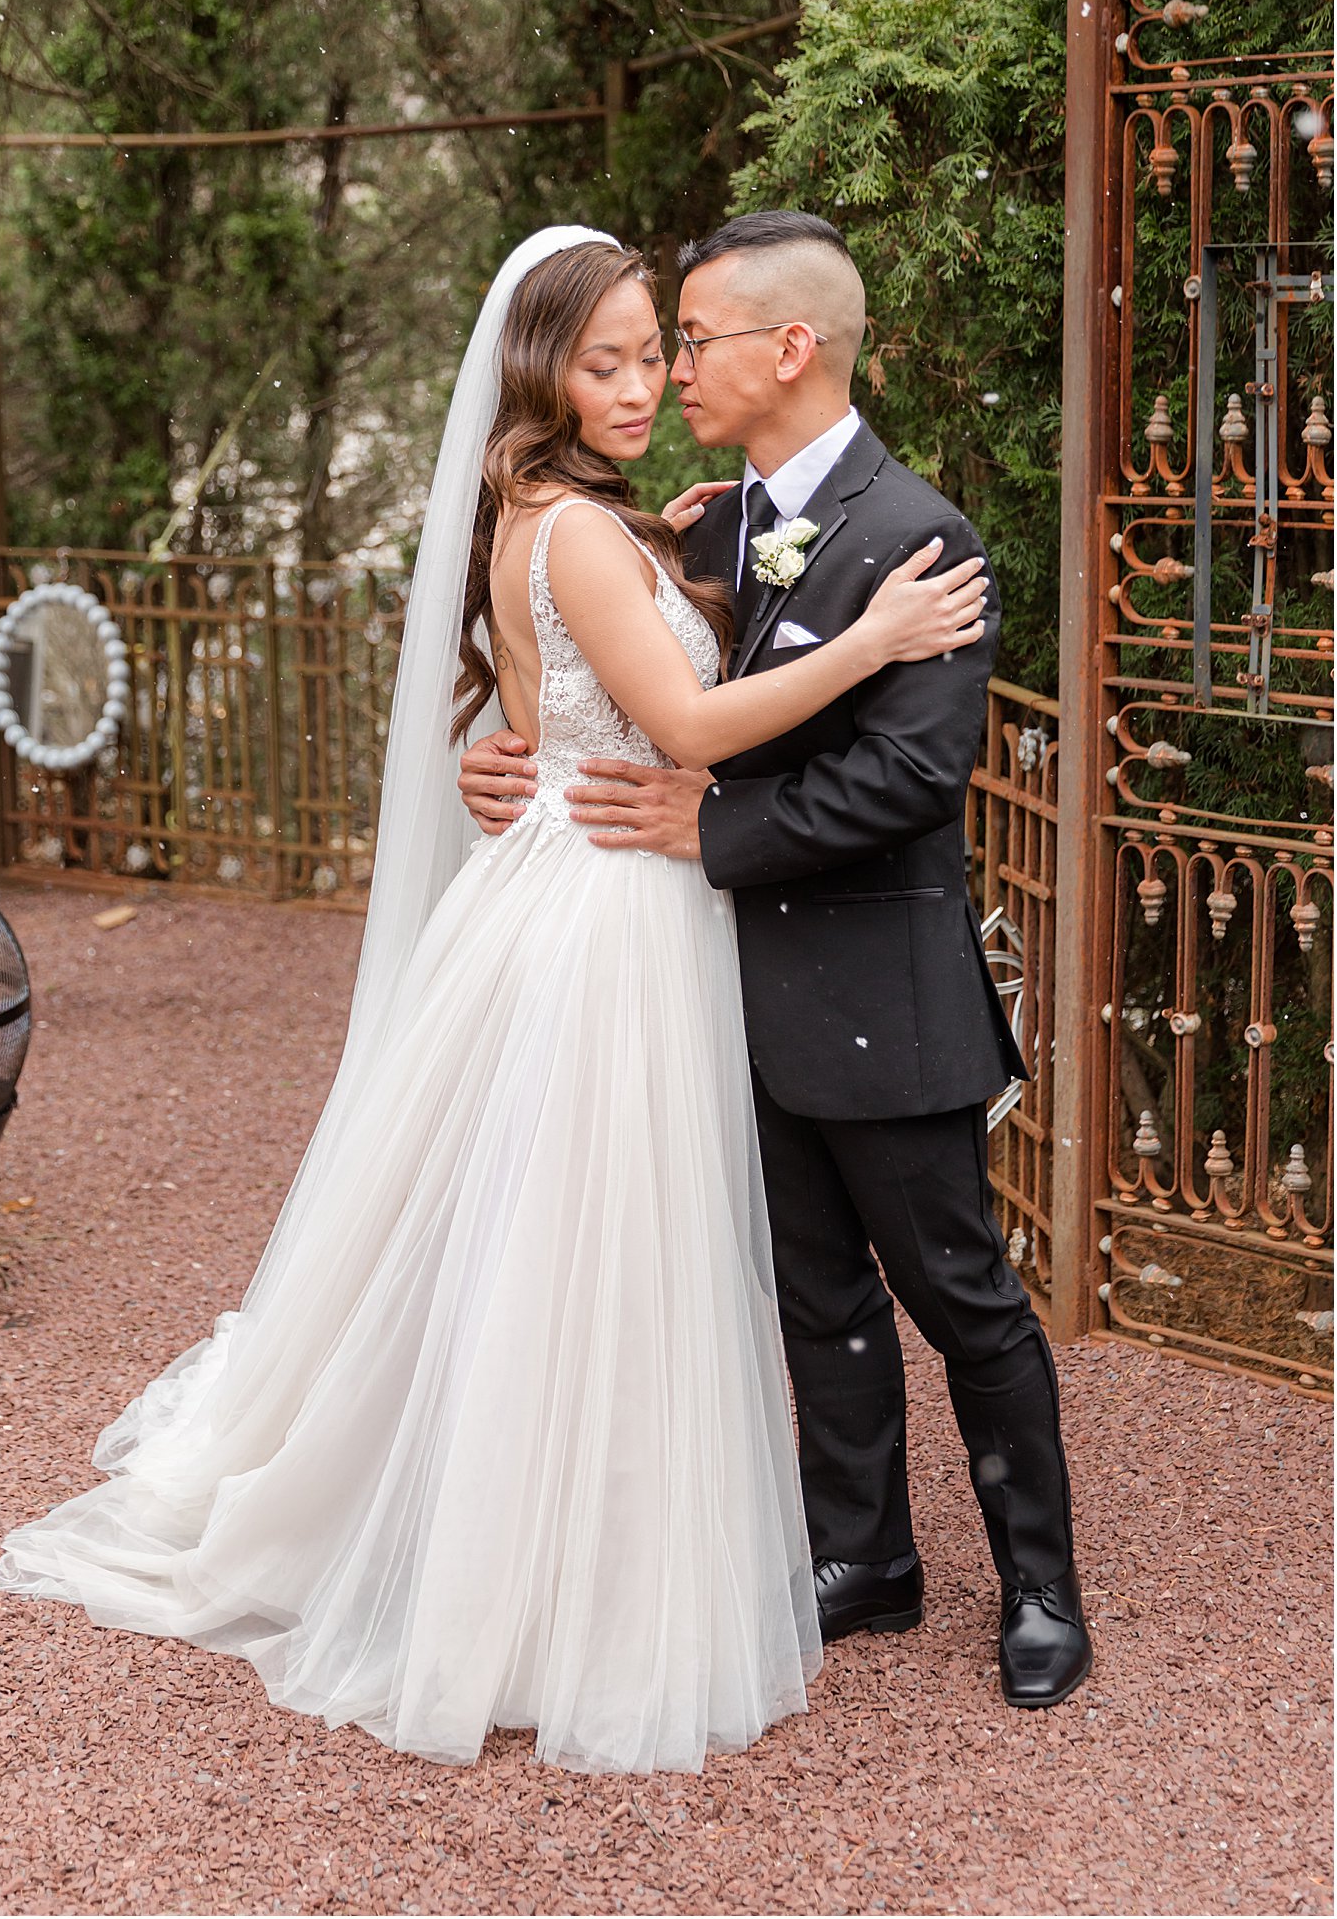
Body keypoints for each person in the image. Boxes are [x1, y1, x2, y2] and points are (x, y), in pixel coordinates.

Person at [0, 227, 987, 1774]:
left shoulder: (581, 519)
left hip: (595, 883)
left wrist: (682, 561)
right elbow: (685, 719)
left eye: (655, 351)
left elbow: (555, 708)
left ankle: (570, 1539)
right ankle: (543, 1580)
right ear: (535, 370)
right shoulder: (579, 533)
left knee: (580, 1238)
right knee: (585, 1243)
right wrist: (870, 636)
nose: (644, 382)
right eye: (605, 361)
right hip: (607, 914)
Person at [459, 210, 1093, 1711]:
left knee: (962, 1293)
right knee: (815, 1289)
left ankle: (1042, 1586)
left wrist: (709, 829)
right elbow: (581, 671)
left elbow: (911, 780)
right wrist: (510, 758)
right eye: (653, 348)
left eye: (693, 342)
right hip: (724, 994)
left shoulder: (925, 538)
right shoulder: (703, 524)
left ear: (790, 347)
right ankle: (861, 1556)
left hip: (883, 999)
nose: (673, 369)